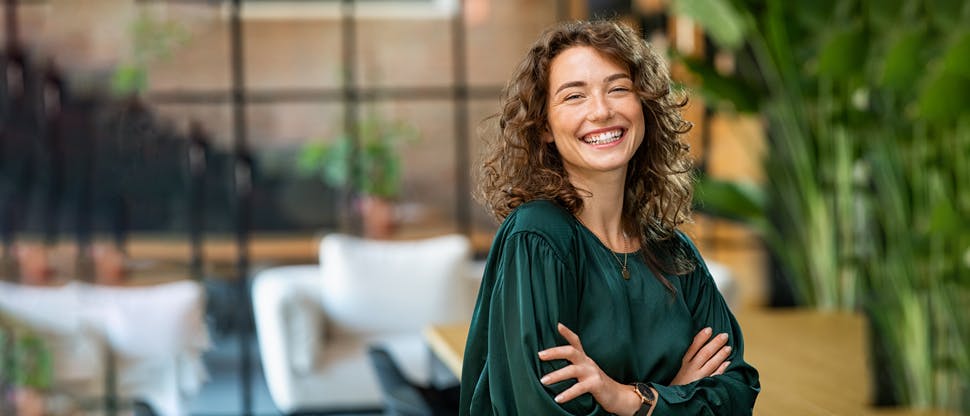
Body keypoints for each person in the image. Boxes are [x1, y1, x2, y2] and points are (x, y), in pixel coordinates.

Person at [459, 19, 760, 415]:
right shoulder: (537, 238)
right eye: (574, 96)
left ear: (644, 107)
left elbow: (736, 392)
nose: (601, 111)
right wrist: (675, 395)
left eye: (618, 89)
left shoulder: (673, 251)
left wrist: (629, 398)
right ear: (544, 126)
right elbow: (543, 409)